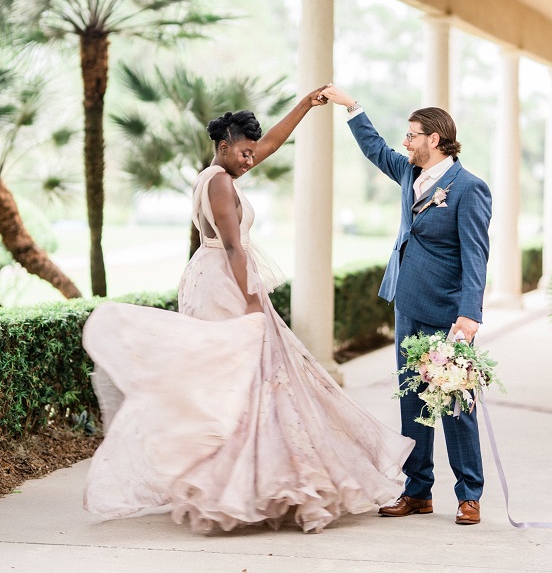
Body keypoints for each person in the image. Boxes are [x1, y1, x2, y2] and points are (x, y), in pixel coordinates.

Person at [83, 88, 415, 534]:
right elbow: (236, 245)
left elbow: (272, 143)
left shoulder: (223, 173)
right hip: (225, 284)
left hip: (219, 276)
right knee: (239, 379)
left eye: (249, 153)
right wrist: (253, 302)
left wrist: (305, 105)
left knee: (244, 382)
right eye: (242, 152)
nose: (249, 160)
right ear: (222, 147)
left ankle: (250, 480)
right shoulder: (218, 181)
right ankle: (235, 483)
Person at [322, 85, 492, 526]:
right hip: (407, 303)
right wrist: (350, 107)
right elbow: (375, 149)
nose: (406, 141)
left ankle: (469, 493)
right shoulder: (408, 173)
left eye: (412, 134)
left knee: (454, 401)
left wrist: (469, 313)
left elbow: (476, 254)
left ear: (434, 139)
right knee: (412, 399)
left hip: (447, 311)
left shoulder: (470, 189)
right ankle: (418, 492)